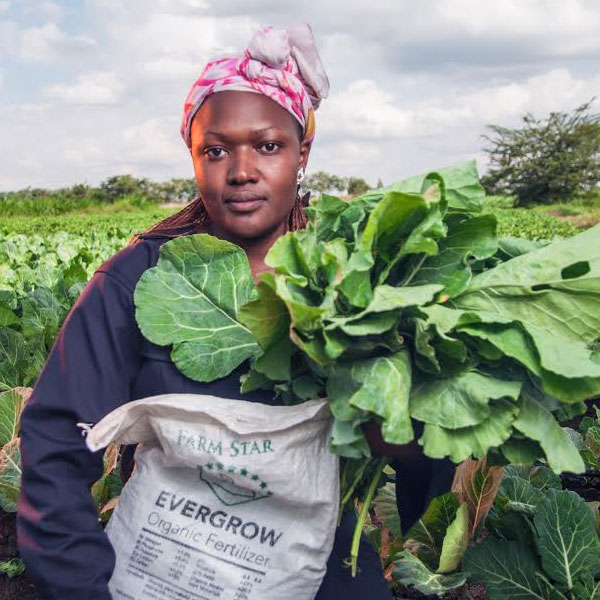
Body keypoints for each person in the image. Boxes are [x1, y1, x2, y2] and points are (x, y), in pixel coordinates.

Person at [17, 23, 454, 600]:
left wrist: (400, 436)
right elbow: (56, 444)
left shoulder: (360, 284)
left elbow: (428, 448)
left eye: (268, 145)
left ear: (304, 153)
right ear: (193, 159)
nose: (241, 170)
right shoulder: (135, 280)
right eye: (216, 149)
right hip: (164, 562)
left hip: (319, 569)